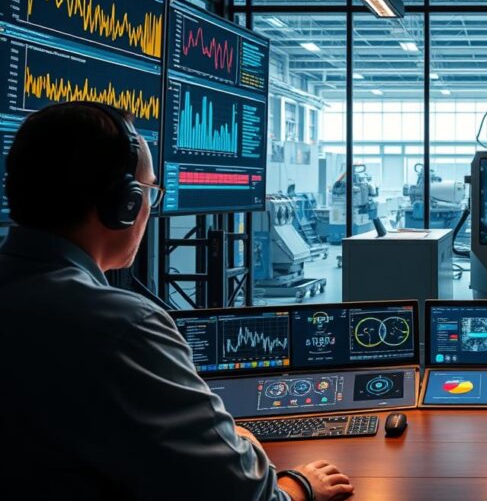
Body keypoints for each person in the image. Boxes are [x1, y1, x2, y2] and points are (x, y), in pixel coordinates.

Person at [0, 102, 354, 501]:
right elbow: (244, 496)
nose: (151, 206)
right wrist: (299, 485)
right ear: (126, 204)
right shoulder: (121, 326)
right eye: (149, 190)